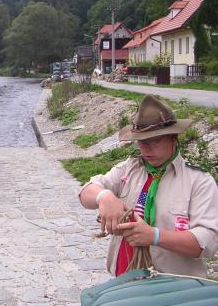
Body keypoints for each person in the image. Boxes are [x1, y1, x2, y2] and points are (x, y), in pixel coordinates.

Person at [79, 94, 218, 277]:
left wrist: (155, 236)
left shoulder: (199, 181)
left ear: (173, 138)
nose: (145, 149)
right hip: (125, 279)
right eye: (141, 142)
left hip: (174, 288)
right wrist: (103, 196)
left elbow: (206, 243)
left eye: (154, 141)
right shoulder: (130, 169)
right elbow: (86, 192)